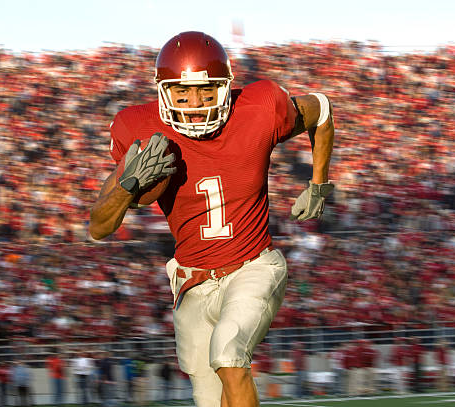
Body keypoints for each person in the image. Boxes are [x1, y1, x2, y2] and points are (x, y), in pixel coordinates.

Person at [89, 31, 335, 407]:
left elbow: (322, 109)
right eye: (182, 93)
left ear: (225, 87)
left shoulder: (259, 105)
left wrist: (319, 185)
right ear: (162, 91)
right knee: (208, 398)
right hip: (192, 283)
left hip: (252, 266)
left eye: (206, 92)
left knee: (228, 353)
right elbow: (99, 227)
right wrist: (128, 184)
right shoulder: (137, 126)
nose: (194, 103)